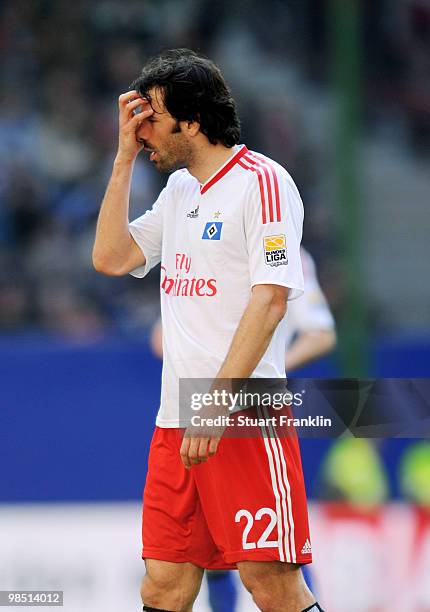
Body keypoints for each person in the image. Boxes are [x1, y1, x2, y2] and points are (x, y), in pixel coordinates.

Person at [93, 49, 323, 612]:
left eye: (154, 118)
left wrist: (216, 404)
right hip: (175, 419)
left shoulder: (263, 182)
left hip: (242, 416)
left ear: (192, 121)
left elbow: (269, 302)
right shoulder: (178, 193)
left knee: (270, 584)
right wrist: (122, 159)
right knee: (164, 586)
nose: (144, 130)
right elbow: (110, 257)